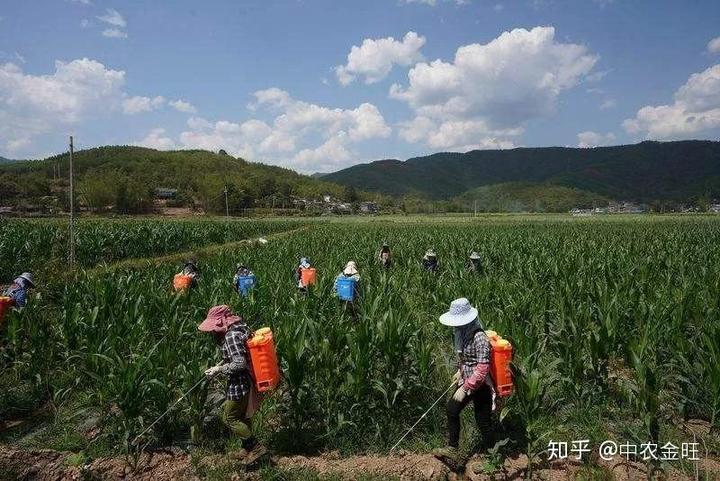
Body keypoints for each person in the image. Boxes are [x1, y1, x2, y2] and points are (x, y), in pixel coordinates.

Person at [199, 305, 265, 461]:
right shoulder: (240, 329)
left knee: (229, 417)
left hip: (240, 382)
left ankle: (256, 447)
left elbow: (239, 363)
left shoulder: (230, 336)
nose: (213, 332)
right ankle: (245, 450)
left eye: (214, 328)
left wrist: (219, 369)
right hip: (247, 379)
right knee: (243, 415)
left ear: (220, 323)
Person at [433, 298, 494, 467]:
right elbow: (466, 359)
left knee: (483, 422)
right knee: (452, 409)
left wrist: (466, 388)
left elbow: (482, 368)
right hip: (467, 380)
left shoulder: (479, 337)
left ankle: (493, 457)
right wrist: (459, 372)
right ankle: (453, 448)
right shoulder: (462, 333)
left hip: (480, 385)